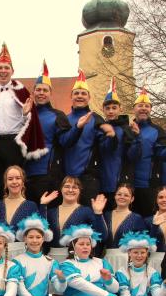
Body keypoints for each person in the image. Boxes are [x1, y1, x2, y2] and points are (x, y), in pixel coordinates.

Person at [0, 43, 46, 198]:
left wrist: (25, 114)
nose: (3, 71)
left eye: (6, 68)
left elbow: (30, 121)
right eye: (0, 68)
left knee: (15, 182)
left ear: (12, 71)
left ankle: (16, 214)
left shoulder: (21, 91)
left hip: (13, 143)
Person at [61, 70, 116, 206]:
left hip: (88, 179)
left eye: (83, 93)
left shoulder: (96, 119)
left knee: (88, 219)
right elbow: (63, 143)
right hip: (67, 180)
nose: (80, 96)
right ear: (71, 96)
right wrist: (77, 127)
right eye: (77, 93)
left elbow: (105, 149)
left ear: (89, 97)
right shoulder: (65, 119)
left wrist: (111, 137)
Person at [26, 60, 71, 205]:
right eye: (38, 90)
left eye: (45, 90)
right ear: (33, 92)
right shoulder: (26, 113)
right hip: (26, 174)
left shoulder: (58, 115)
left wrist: (78, 128)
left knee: (48, 217)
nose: (41, 93)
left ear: (50, 93)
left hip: (48, 175)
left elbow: (67, 141)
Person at [128, 83, 166, 217]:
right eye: (140, 106)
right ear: (134, 109)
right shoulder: (126, 129)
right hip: (128, 185)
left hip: (149, 185)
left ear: (151, 109)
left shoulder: (157, 131)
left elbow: (163, 155)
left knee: (148, 222)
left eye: (147, 106)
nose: (143, 109)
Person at [40, 176, 107, 253]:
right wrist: (43, 205)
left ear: (79, 191)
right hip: (52, 258)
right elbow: (41, 233)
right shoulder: (51, 212)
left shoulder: (86, 211)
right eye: (67, 186)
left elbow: (102, 236)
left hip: (76, 258)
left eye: (74, 187)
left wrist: (98, 213)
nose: (70, 190)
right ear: (61, 189)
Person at [99, 77, 139, 204]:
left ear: (120, 109)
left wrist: (136, 138)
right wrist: (110, 136)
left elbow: (133, 156)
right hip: (103, 181)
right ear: (103, 110)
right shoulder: (100, 128)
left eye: (114, 107)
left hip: (122, 182)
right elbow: (104, 150)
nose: (111, 111)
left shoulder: (127, 129)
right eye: (108, 108)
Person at [0, 165, 39, 229]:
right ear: (6, 183)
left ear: (22, 182)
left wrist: (44, 205)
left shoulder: (31, 206)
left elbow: (38, 230)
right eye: (10, 179)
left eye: (18, 178)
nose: (14, 182)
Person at [105, 183, 146, 249]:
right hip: (107, 257)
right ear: (115, 196)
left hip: (127, 257)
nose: (122, 197)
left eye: (126, 195)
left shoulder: (137, 218)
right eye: (119, 194)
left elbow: (142, 244)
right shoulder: (107, 215)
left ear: (132, 199)